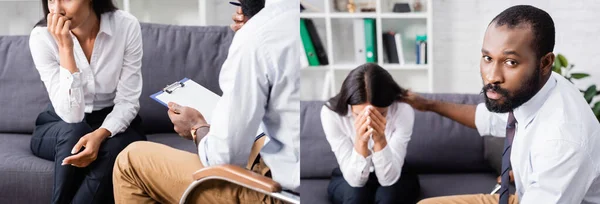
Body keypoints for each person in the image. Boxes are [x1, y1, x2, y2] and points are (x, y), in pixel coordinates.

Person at [407, 5, 600, 204]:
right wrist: (427, 104)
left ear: (545, 63)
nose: (492, 76)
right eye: (488, 58)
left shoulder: (564, 140)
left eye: (510, 62)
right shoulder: (534, 89)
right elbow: (488, 118)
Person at [111, 0, 300, 203]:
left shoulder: (258, 35)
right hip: (285, 178)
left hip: (276, 195)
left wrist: (196, 127)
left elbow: (223, 159)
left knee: (130, 161)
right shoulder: (298, 19)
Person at [28, 0, 146, 203]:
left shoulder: (126, 26)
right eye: (51, 0)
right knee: (75, 132)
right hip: (60, 122)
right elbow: (72, 116)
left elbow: (128, 101)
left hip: (111, 121)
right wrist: (66, 47)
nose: (57, 10)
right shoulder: (41, 37)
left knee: (112, 150)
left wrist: (100, 135)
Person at [321, 63, 420, 204]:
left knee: (389, 199)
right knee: (355, 198)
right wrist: (361, 142)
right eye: (359, 114)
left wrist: (380, 140)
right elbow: (354, 180)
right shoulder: (331, 113)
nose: (369, 121)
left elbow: (388, 179)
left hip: (396, 170)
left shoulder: (402, 110)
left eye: (381, 114)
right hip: (349, 170)